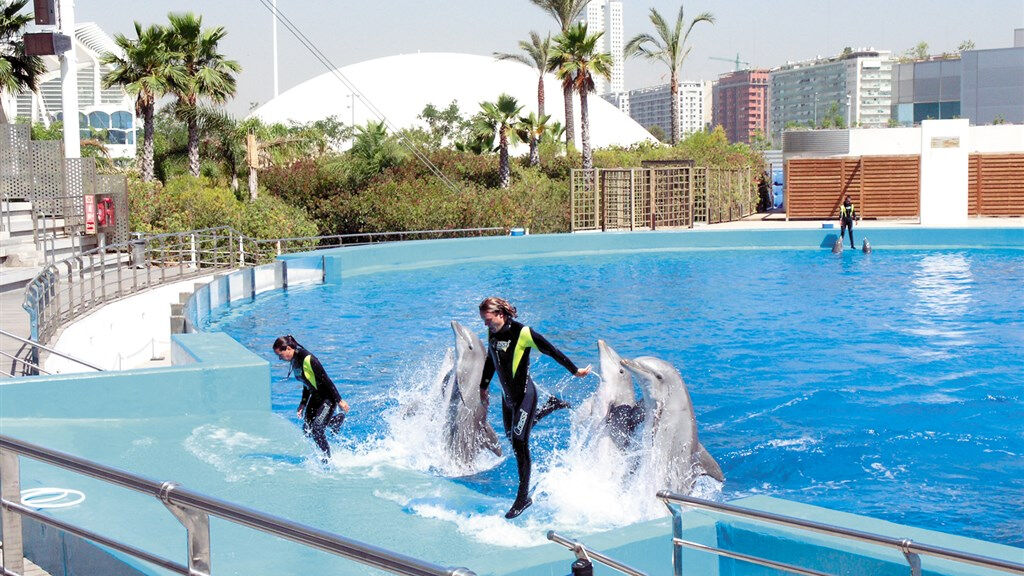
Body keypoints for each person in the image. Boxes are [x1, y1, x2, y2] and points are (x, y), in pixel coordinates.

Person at [478, 297, 592, 519]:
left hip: (524, 397)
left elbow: (552, 350)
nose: (485, 324)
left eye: (487, 319)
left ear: (500, 314)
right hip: (507, 398)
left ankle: (522, 499)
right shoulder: (492, 332)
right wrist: (483, 387)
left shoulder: (523, 333)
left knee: (520, 443)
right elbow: (491, 360)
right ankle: (550, 407)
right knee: (512, 437)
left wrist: (574, 371)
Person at [273, 335, 349, 462]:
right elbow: (306, 383)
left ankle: (327, 459)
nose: (280, 359)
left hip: (328, 398)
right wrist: (303, 403)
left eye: (280, 355)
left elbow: (326, 380)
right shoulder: (294, 360)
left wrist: (339, 400)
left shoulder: (308, 359)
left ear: (288, 348)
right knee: (307, 429)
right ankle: (335, 421)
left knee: (317, 430)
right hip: (316, 396)